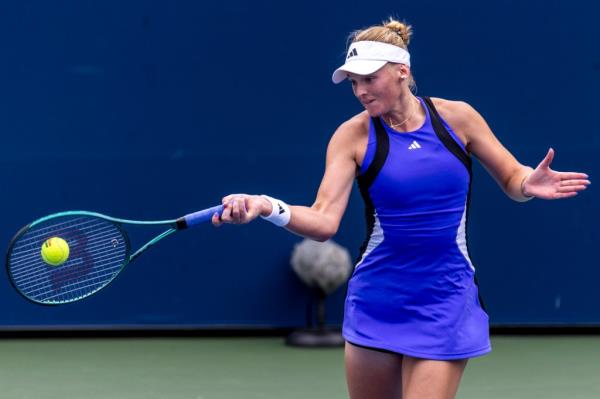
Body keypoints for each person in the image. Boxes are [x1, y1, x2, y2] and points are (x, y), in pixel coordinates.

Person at [212, 18, 590, 399]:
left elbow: (512, 177)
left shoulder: (457, 118)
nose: (360, 91)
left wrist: (527, 182)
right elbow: (324, 220)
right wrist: (266, 206)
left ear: (402, 73)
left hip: (446, 295)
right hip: (377, 298)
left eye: (369, 79)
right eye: (354, 83)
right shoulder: (352, 136)